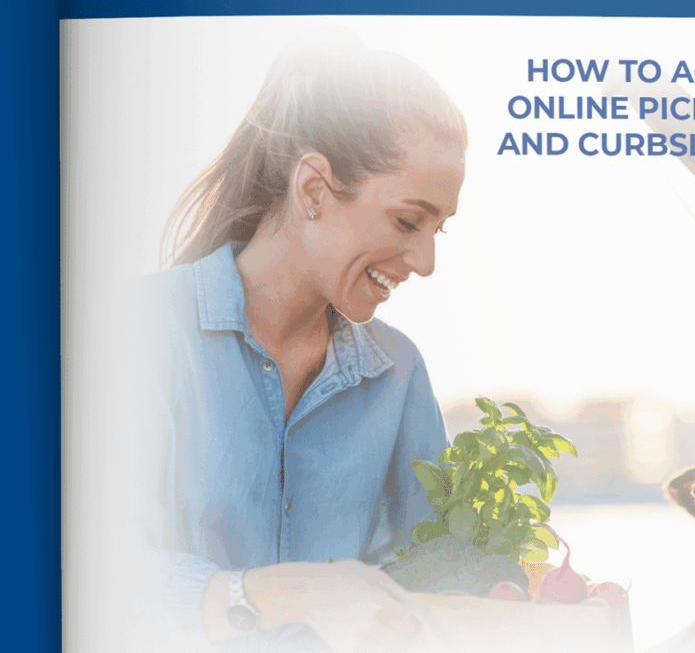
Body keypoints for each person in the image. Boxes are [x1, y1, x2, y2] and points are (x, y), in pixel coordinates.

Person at [123, 32, 467, 653]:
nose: (426, 261)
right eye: (407, 221)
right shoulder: (135, 334)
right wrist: (296, 594)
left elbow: (440, 585)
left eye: (438, 229)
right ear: (312, 189)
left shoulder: (399, 374)